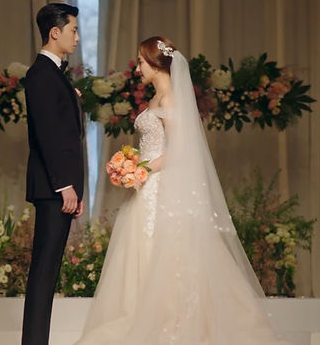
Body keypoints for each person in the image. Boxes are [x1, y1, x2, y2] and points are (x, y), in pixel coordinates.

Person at [76, 36, 283, 344]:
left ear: (158, 64)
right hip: (145, 188)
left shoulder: (171, 99)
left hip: (161, 187)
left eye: (143, 62)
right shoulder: (154, 100)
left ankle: (171, 322)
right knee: (142, 254)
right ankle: (144, 314)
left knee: (166, 253)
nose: (138, 68)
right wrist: (130, 163)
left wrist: (141, 168)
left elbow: (178, 150)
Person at [22, 3, 86, 345]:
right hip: (52, 188)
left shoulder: (55, 75)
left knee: (49, 273)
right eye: (73, 30)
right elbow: (49, 135)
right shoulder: (41, 75)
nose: (77, 37)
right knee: (44, 273)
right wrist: (65, 186)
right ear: (55, 32)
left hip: (58, 188)